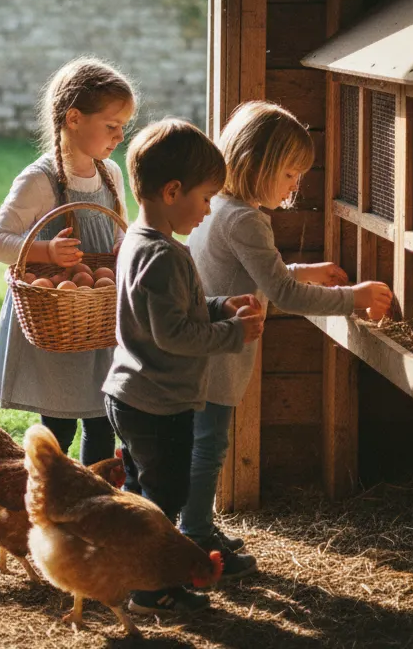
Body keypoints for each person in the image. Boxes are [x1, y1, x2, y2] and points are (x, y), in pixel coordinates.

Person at [181, 100, 393, 560]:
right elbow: (284, 294)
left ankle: (197, 525)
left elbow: (261, 275)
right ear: (257, 165)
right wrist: (353, 298)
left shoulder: (219, 206)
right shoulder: (244, 219)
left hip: (206, 347)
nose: (297, 186)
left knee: (205, 441)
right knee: (209, 444)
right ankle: (194, 535)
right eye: (290, 174)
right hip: (217, 354)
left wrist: (306, 270)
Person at [101, 118, 265, 618]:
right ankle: (152, 590)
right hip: (158, 404)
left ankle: (122, 567)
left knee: (139, 493)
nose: (210, 207)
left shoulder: (139, 240)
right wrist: (233, 333)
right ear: (173, 191)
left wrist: (216, 305)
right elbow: (174, 335)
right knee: (164, 497)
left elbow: (170, 311)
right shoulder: (164, 256)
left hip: (129, 394)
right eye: (205, 196)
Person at [0, 57, 135, 465]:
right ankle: (46, 495)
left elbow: (119, 229)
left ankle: (95, 500)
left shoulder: (111, 175)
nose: (120, 136)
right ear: (73, 118)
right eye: (111, 126)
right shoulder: (40, 179)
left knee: (104, 419)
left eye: (124, 126)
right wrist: (46, 252)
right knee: (60, 423)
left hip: (99, 319)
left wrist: (126, 247)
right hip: (58, 324)